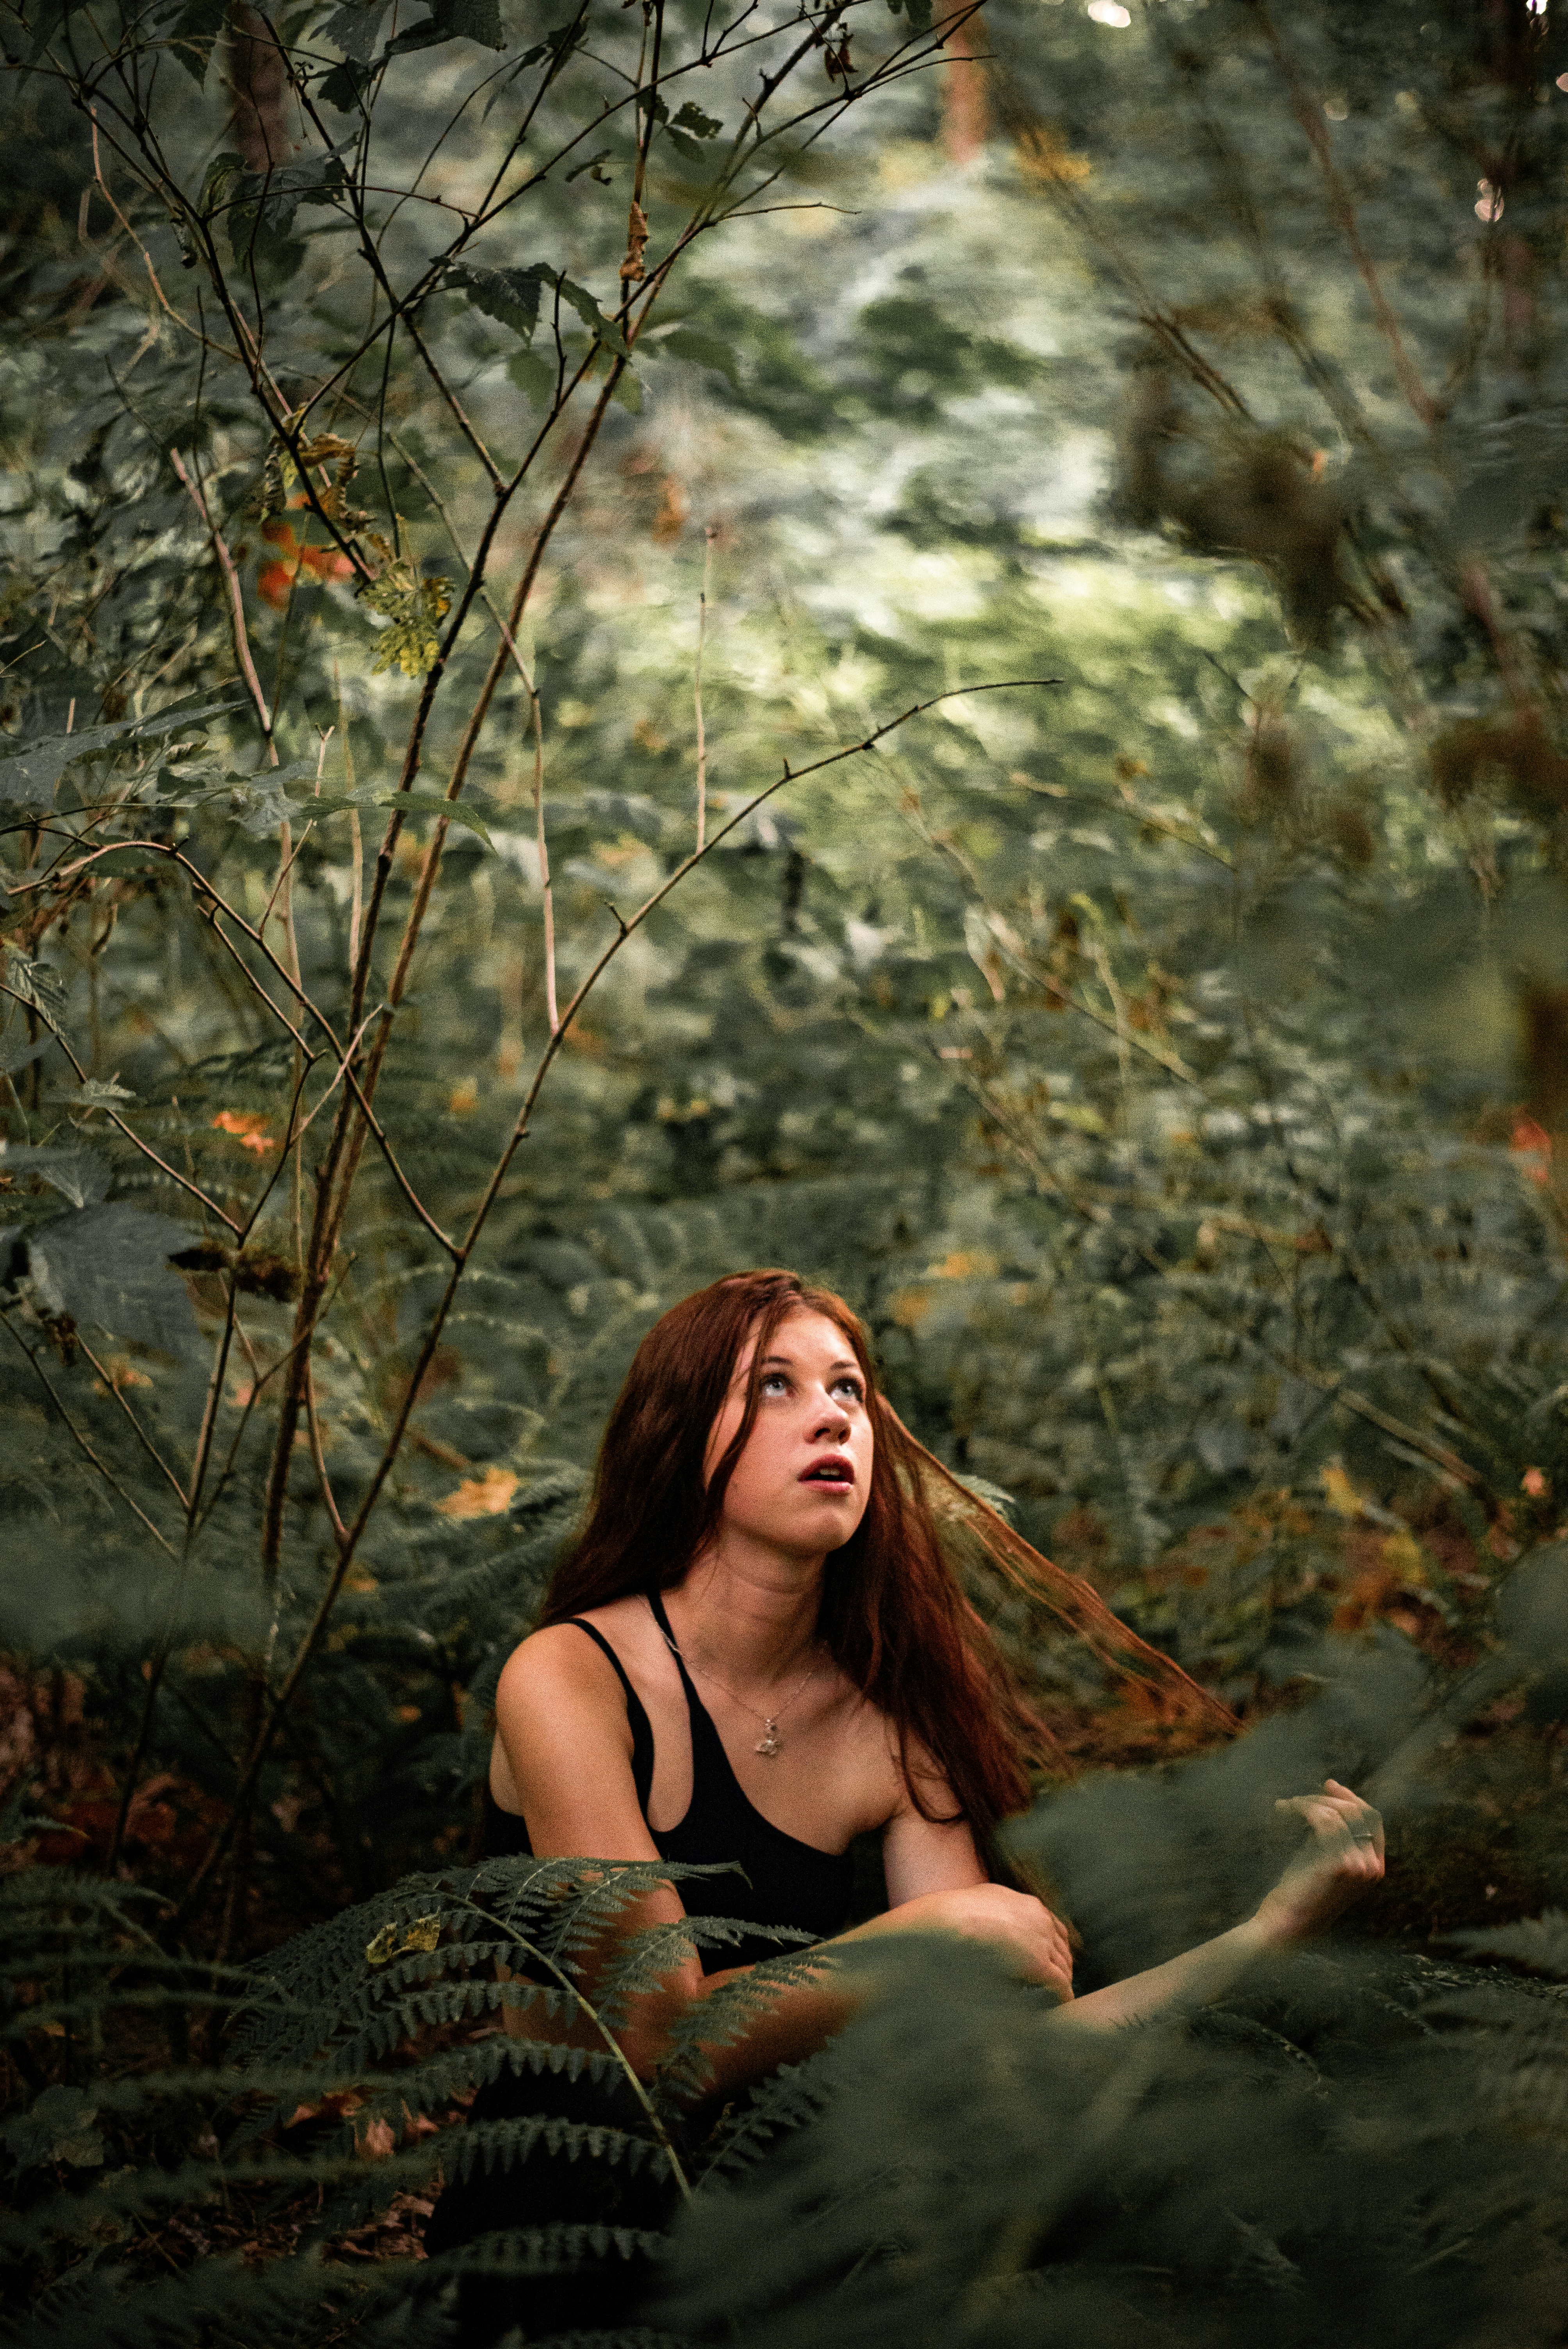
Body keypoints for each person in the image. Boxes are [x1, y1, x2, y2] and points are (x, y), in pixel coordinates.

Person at [423, 1268, 1384, 2336]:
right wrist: (936, 1935)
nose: (832, 1414)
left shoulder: (888, 1724)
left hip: (787, 2222)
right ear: (680, 1431)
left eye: (848, 1388)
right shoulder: (571, 1676)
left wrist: (1263, 1933)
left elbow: (1011, 2063)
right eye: (775, 1385)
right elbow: (657, 2044)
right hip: (569, 2235)